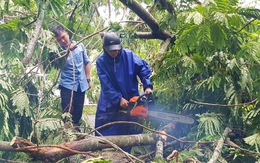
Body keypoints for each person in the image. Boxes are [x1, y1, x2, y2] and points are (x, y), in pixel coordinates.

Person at [95, 32, 153, 139]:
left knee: (131, 126)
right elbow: (106, 85)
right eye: (111, 50)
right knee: (105, 127)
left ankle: (129, 148)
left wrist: (147, 86)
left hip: (130, 94)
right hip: (110, 99)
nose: (115, 52)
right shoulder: (101, 62)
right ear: (105, 48)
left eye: (116, 49)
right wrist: (118, 98)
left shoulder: (129, 56)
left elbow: (143, 69)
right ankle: (104, 147)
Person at [52, 25, 91, 128]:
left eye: (63, 37)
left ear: (67, 34)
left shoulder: (80, 45)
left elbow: (87, 63)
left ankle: (76, 133)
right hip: (67, 86)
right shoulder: (57, 51)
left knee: (78, 111)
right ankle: (67, 134)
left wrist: (88, 79)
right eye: (59, 40)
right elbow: (57, 63)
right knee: (67, 111)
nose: (63, 41)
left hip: (81, 85)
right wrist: (67, 51)